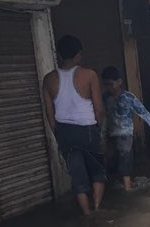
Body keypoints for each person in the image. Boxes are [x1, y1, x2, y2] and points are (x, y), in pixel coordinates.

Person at [42, 35, 106, 216]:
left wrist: (58, 134)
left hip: (64, 131)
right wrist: (98, 128)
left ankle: (86, 214)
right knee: (97, 171)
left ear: (59, 54)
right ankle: (98, 208)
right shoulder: (89, 75)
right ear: (78, 54)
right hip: (87, 129)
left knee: (77, 176)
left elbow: (49, 113)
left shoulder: (48, 79)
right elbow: (99, 108)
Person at [100, 66, 150, 191]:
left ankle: (128, 190)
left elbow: (144, 113)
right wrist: (101, 135)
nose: (109, 87)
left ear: (119, 82)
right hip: (110, 135)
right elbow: (102, 116)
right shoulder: (105, 98)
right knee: (111, 162)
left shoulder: (128, 98)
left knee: (125, 162)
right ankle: (118, 188)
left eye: (111, 84)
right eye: (106, 85)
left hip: (125, 135)